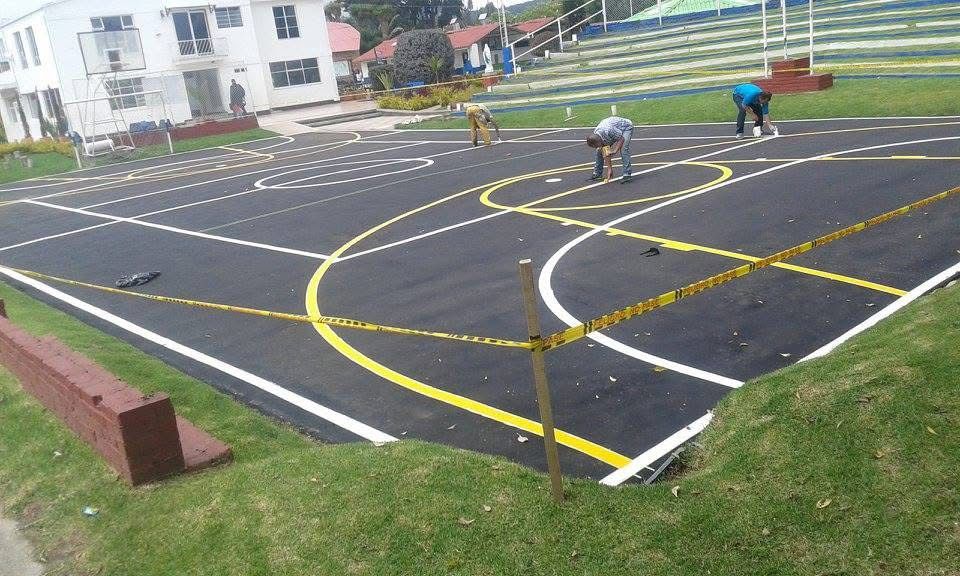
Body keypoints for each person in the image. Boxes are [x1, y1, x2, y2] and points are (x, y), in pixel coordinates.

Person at [586, 116, 634, 183]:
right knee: (599, 151)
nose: (597, 147)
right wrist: (609, 169)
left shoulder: (608, 130)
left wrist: (615, 150)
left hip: (626, 127)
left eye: (597, 146)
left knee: (623, 149)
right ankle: (597, 174)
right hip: (614, 130)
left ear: (600, 141)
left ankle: (627, 174)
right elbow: (606, 151)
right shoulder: (597, 133)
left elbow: (621, 139)